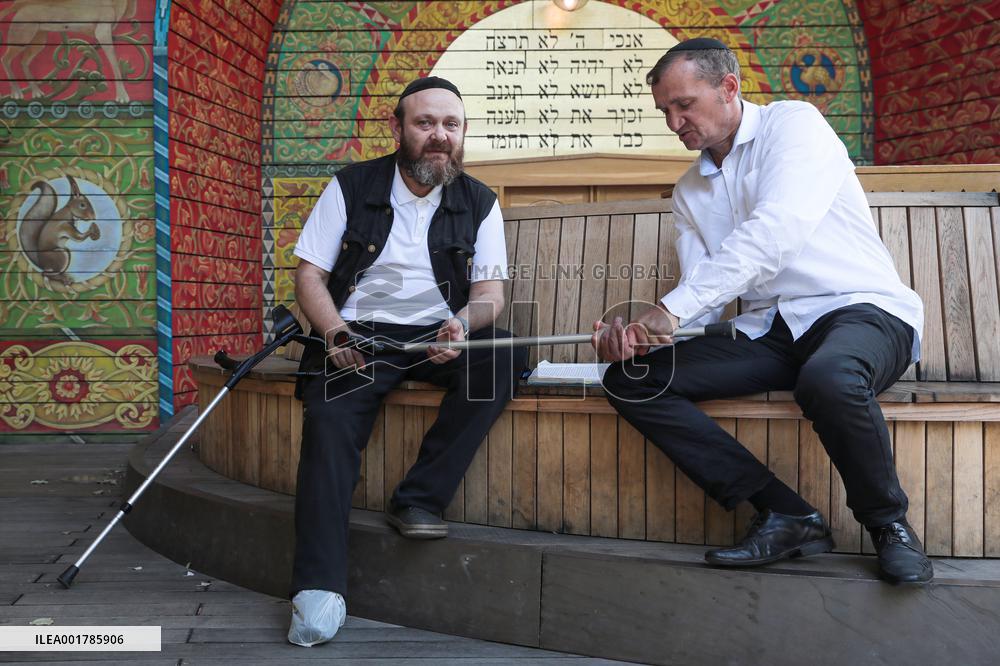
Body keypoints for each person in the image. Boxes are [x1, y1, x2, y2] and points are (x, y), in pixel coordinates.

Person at [593, 38, 932, 585]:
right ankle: (787, 513)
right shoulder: (688, 191)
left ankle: (889, 525)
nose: (674, 122)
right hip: (771, 330)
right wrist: (640, 335)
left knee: (829, 378)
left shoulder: (794, 125)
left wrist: (670, 310)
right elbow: (707, 299)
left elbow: (774, 234)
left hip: (860, 309)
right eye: (666, 112)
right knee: (632, 379)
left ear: (728, 88)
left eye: (685, 105)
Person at [287, 76, 526, 646]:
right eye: (425, 124)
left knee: (505, 354)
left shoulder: (480, 202)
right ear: (397, 129)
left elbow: (490, 296)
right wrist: (335, 331)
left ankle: (418, 500)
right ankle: (317, 585)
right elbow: (310, 275)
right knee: (330, 422)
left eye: (451, 125)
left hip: (436, 336)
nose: (439, 136)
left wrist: (463, 326)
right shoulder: (351, 185)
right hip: (358, 336)